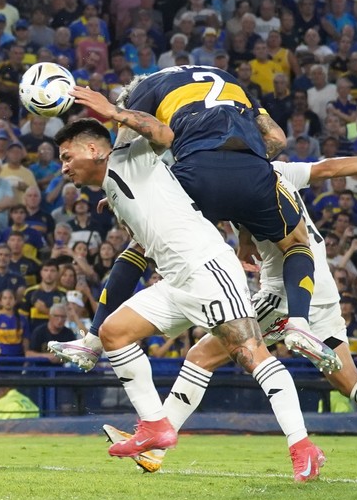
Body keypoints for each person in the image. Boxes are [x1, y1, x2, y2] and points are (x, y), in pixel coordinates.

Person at [106, 152, 357, 478]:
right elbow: (331, 167)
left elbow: (183, 200)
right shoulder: (280, 170)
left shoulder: (235, 179)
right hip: (321, 289)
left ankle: (156, 449)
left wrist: (130, 200)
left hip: (283, 293)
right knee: (350, 381)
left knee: (201, 355)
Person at [54, 118, 323, 482]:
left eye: (67, 157)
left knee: (252, 354)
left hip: (207, 269)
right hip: (177, 280)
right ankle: (155, 427)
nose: (64, 167)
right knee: (113, 333)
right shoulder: (114, 190)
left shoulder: (129, 155)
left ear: (92, 149)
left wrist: (112, 108)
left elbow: (159, 129)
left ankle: (302, 447)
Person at [63, 67, 335, 372]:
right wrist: (242, 175)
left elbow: (135, 150)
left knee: (139, 246)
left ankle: (93, 340)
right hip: (253, 172)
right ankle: (299, 323)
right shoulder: (232, 81)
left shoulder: (143, 92)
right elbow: (277, 138)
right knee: (296, 243)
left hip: (197, 172)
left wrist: (124, 192)